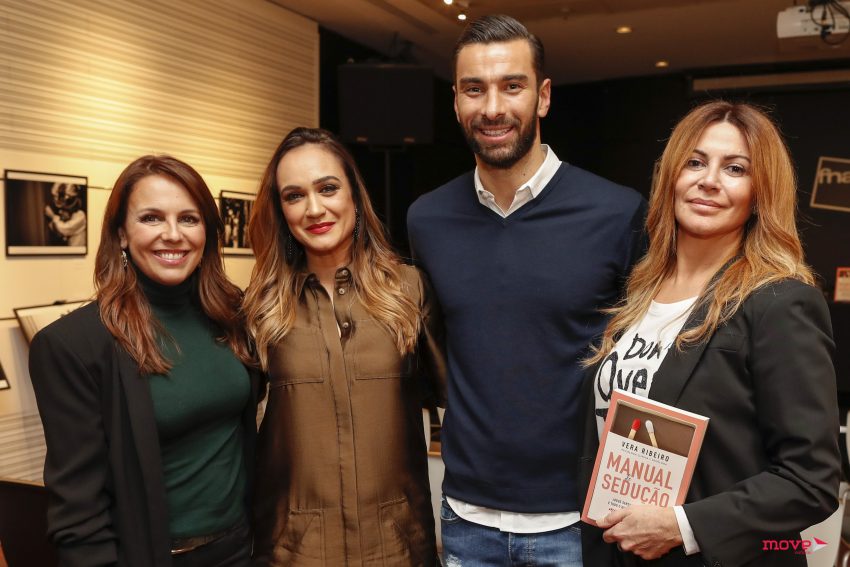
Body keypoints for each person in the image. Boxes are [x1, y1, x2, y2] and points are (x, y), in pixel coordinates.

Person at [406, 14, 647, 566]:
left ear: (543, 97)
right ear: (456, 102)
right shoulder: (427, 219)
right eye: (474, 89)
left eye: (512, 86)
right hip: (466, 519)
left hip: (580, 519)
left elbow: (648, 362)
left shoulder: (616, 212)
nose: (492, 107)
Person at [580, 101, 840, 566]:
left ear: (760, 192)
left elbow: (811, 481)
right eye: (695, 162)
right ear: (671, 176)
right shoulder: (639, 291)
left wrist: (682, 526)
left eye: (735, 168)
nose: (709, 180)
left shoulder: (779, 302)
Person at [29, 155, 260, 567]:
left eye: (189, 219)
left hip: (242, 549)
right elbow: (79, 513)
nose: (173, 234)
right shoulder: (74, 345)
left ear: (207, 232)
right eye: (151, 218)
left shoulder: (233, 316)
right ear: (121, 233)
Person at [244, 127, 444, 566]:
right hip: (296, 553)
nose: (314, 209)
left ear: (354, 193)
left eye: (328, 188)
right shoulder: (260, 309)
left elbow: (460, 405)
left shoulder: (409, 291)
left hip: (397, 549)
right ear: (280, 209)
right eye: (294, 196)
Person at [44, 182, 86, 246]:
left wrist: (52, 216)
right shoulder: (65, 213)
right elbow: (58, 233)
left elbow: (64, 229)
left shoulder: (80, 215)